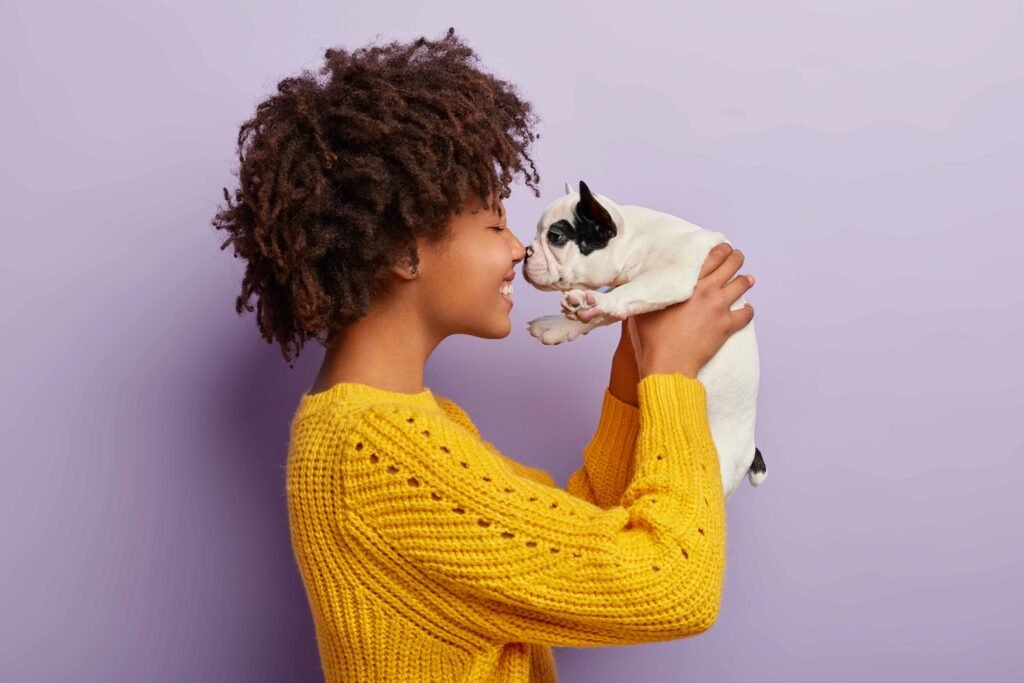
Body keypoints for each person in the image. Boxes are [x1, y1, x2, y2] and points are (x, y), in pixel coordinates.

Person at [213, 27, 755, 683]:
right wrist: (672, 381)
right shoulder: (377, 456)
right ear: (403, 252)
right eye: (495, 223)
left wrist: (632, 382)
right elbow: (675, 585)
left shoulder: (400, 425)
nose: (518, 251)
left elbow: (579, 533)